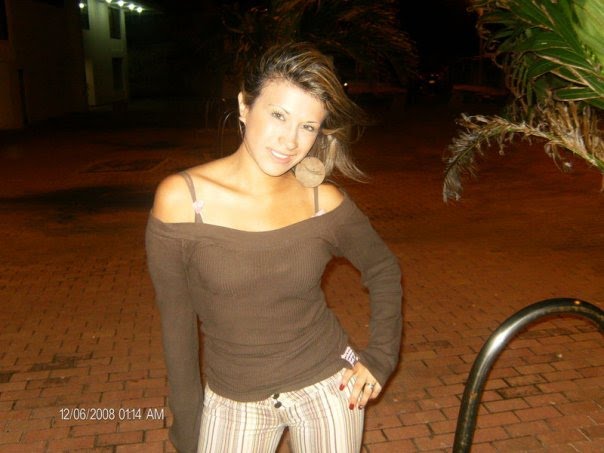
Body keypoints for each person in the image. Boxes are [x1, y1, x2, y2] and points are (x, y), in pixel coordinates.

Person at [146, 42, 402, 453]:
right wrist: (189, 427)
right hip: (235, 399)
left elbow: (382, 268)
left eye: (308, 126)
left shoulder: (322, 201)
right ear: (244, 106)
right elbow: (176, 324)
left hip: (328, 386)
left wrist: (380, 358)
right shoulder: (182, 199)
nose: (290, 141)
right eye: (278, 115)